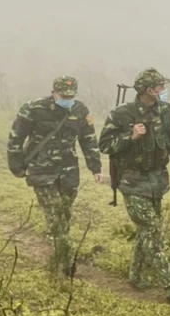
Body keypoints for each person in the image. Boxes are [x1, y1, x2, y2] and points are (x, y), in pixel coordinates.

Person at [98, 68, 170, 303]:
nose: (163, 91)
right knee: (152, 228)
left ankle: (136, 276)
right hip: (132, 181)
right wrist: (130, 137)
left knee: (145, 231)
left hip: (157, 181)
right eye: (160, 87)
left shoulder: (166, 111)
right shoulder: (121, 114)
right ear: (149, 90)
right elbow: (105, 145)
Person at [7, 76, 102, 277]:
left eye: (71, 95)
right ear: (54, 92)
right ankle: (65, 260)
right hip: (42, 170)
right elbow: (16, 137)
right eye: (63, 95)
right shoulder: (33, 109)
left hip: (69, 172)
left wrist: (95, 167)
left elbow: (88, 140)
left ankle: (59, 244)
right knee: (54, 215)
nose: (68, 98)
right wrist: (16, 165)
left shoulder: (80, 110)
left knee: (65, 213)